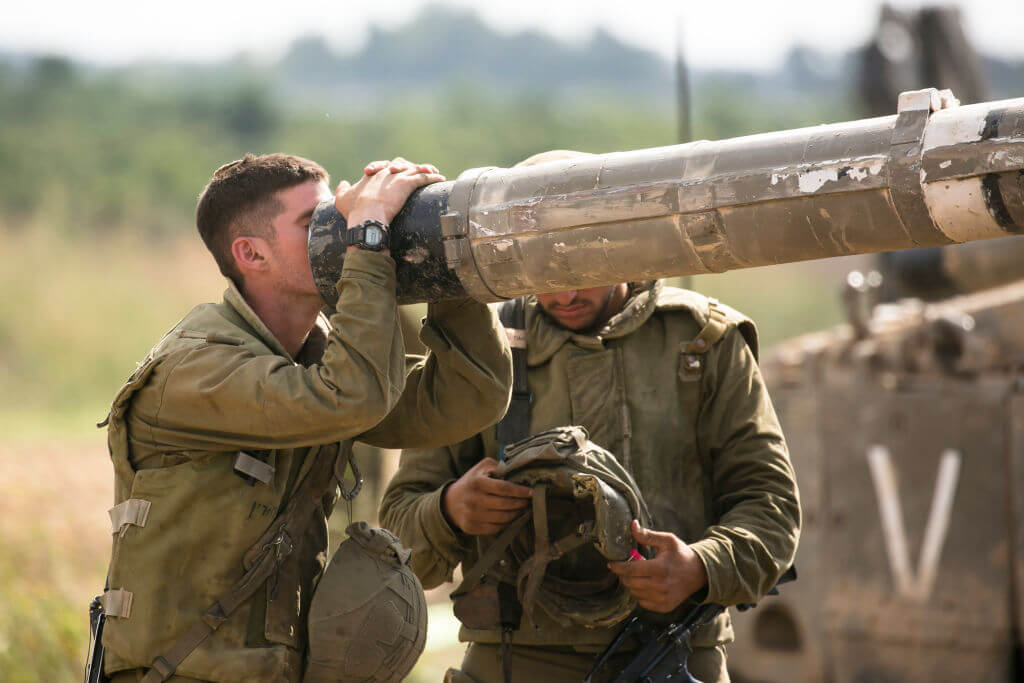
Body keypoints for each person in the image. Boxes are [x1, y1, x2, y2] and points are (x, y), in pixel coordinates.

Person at [380, 152, 801, 683]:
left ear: (621, 248)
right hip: (516, 658)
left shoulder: (703, 344)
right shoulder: (480, 352)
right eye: (543, 273)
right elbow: (398, 532)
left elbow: (772, 510)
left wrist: (699, 567)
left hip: (672, 651)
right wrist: (449, 509)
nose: (564, 294)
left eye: (580, 272)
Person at [97, 153, 513, 682]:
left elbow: (470, 393)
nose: (333, 234)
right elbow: (350, 397)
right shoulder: (197, 369)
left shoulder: (313, 363)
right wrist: (367, 237)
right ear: (251, 253)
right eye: (313, 224)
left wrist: (437, 256)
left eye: (335, 219)